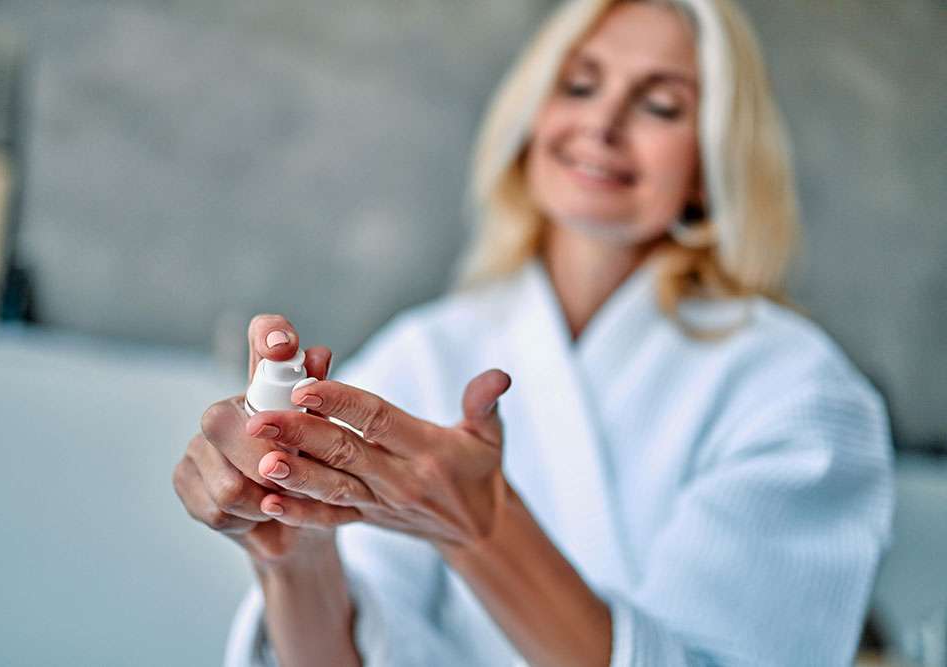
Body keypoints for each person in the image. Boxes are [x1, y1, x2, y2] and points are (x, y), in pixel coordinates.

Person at [172, 0, 894, 664]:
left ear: (710, 162)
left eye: (661, 105)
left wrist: (486, 531)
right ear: (532, 118)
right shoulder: (425, 352)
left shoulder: (800, 396)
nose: (602, 124)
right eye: (578, 86)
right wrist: (293, 557)